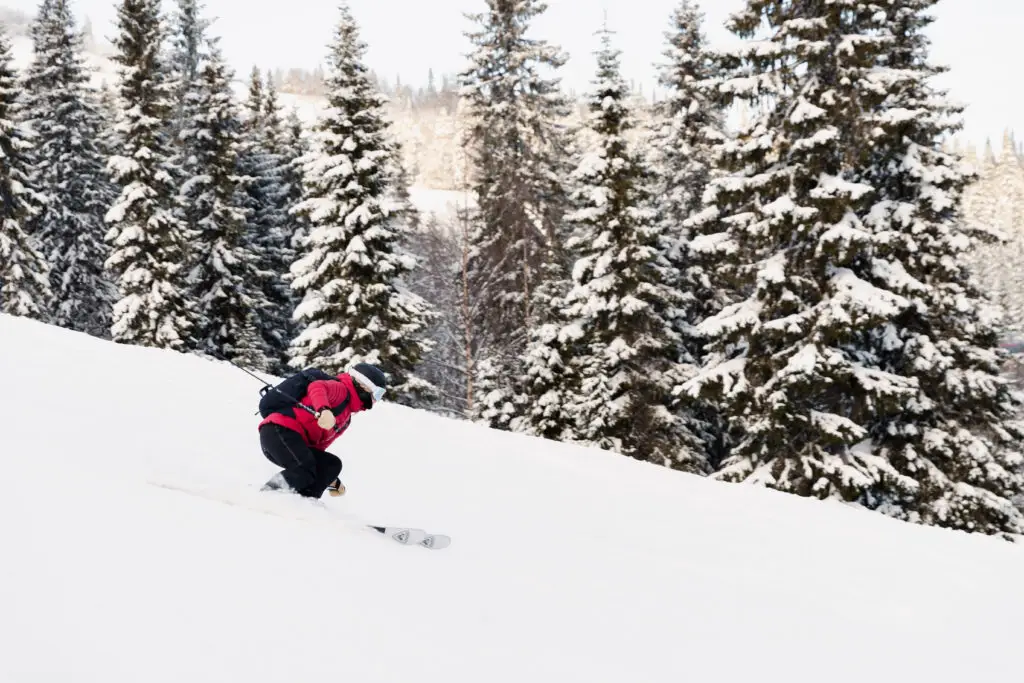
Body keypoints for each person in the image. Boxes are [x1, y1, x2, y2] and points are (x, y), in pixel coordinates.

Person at [258, 362, 388, 499]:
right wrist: (323, 409)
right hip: (279, 430)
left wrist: (329, 478)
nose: (376, 400)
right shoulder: (341, 389)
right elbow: (317, 387)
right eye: (378, 394)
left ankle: (305, 501)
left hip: (292, 443)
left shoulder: (346, 418)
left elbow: (317, 448)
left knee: (331, 464)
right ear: (364, 385)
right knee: (305, 469)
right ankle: (268, 496)